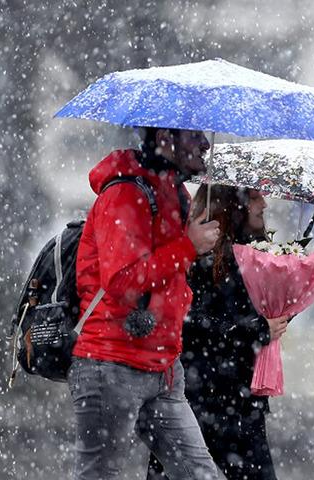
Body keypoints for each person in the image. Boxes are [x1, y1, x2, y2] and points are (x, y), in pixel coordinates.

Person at [71, 127, 222, 480]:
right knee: (100, 474)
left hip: (164, 367)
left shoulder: (175, 193)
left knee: (200, 473)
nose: (204, 143)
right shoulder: (124, 192)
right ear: (165, 138)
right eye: (193, 135)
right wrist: (188, 246)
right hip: (111, 364)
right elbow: (122, 281)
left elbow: (170, 276)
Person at [147, 184, 290, 480]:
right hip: (200, 398)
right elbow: (192, 325)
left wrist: (280, 314)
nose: (263, 204)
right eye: (253, 197)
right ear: (231, 204)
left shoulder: (254, 256)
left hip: (237, 399)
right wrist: (257, 330)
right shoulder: (200, 258)